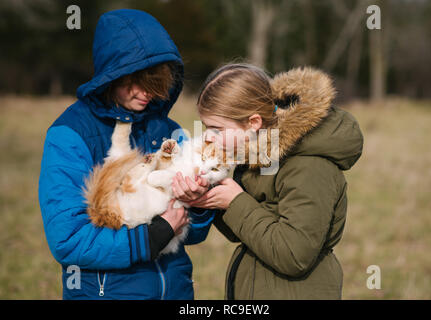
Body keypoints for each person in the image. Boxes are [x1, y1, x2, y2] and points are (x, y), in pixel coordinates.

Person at [38, 9, 214, 300]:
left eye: (155, 82)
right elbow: (67, 240)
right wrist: (149, 238)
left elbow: (194, 232)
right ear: (110, 75)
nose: (145, 93)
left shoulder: (171, 132)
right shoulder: (68, 135)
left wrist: (198, 205)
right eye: (133, 81)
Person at [186, 63, 364, 299]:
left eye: (216, 128)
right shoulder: (257, 156)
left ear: (254, 123)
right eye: (206, 126)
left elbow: (294, 255)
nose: (208, 136)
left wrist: (234, 202)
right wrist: (207, 197)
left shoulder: (309, 166)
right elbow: (246, 230)